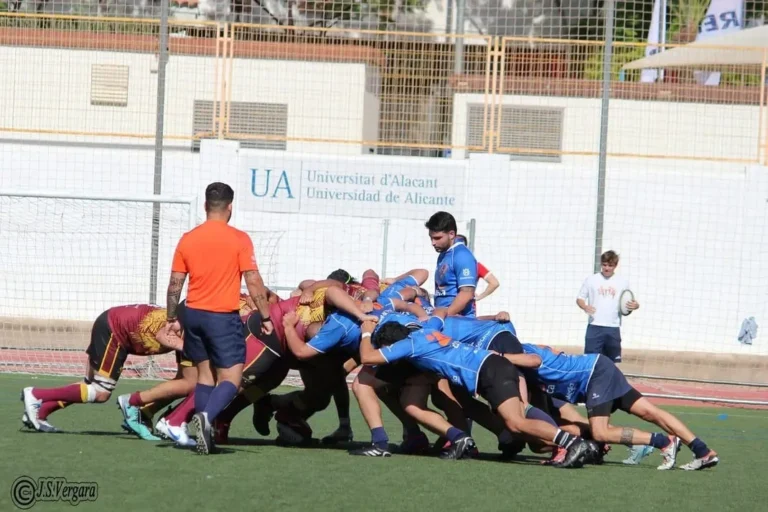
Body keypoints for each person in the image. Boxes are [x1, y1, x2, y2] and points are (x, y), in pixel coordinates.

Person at [358, 312, 592, 468]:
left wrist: (367, 330)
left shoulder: (408, 344)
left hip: (489, 370)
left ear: (393, 344)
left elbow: (367, 356)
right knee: (514, 419)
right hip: (490, 367)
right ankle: (580, 440)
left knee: (517, 421)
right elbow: (439, 313)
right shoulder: (425, 329)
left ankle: (573, 442)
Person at [165, 181, 272, 455]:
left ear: (205, 206)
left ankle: (205, 436)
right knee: (231, 379)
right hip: (221, 317)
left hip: (193, 314)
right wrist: (265, 314)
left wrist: (171, 316)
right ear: (230, 207)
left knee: (204, 375)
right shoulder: (239, 239)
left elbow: (175, 283)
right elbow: (253, 280)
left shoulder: (188, 238)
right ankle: (207, 418)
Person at [515, 344, 719, 471]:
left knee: (601, 432)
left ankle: (663, 442)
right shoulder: (526, 366)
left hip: (594, 374)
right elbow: (553, 351)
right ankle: (702, 451)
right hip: (600, 367)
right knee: (650, 412)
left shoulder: (520, 354)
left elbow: (542, 356)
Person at [21, 304, 182, 436]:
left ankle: (41, 412)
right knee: (100, 392)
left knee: (88, 384)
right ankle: (37, 395)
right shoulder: (186, 326)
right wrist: (186, 347)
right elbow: (163, 335)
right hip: (114, 329)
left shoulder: (188, 320)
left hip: (113, 322)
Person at [576, 250, 638, 364]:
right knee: (590, 361)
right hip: (595, 326)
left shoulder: (622, 282)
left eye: (610, 265)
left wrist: (635, 305)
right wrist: (584, 306)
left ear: (615, 266)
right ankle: (591, 382)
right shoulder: (591, 280)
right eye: (604, 265)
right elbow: (579, 298)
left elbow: (628, 302)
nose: (607, 268)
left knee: (612, 363)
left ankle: (610, 382)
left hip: (613, 327)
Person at [424, 212, 478, 318]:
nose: (433, 243)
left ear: (451, 234)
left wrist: (441, 318)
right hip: (444, 316)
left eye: (437, 238)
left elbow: (466, 293)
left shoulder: (462, 255)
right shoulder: (444, 254)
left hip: (458, 321)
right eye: (431, 238)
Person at [454, 234, 500, 302]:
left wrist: (479, 297)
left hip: (466, 308)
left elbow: (494, 283)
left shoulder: (476, 265)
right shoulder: (446, 264)